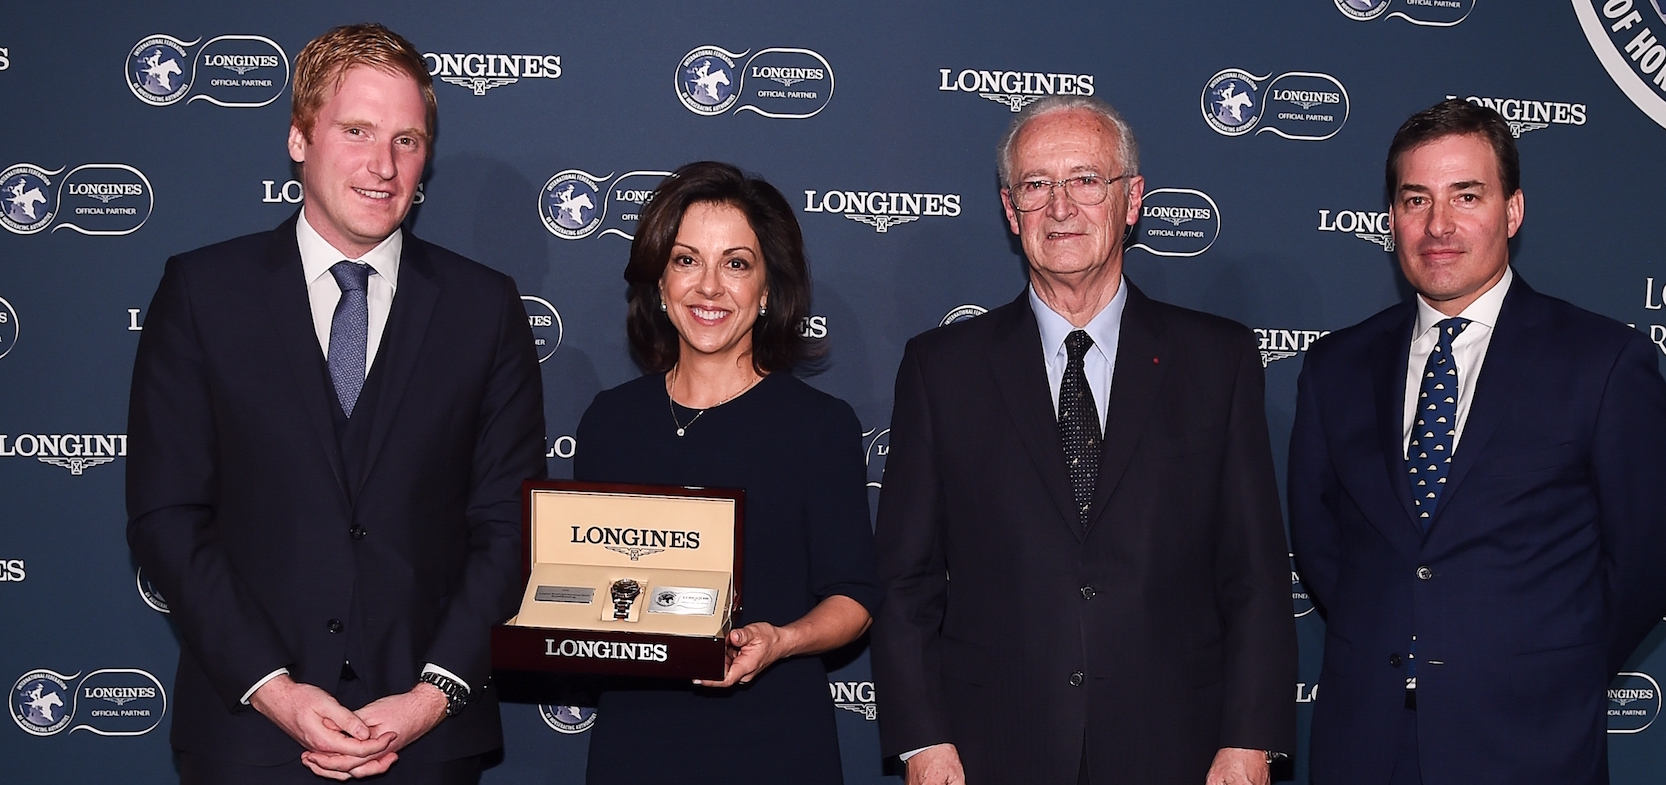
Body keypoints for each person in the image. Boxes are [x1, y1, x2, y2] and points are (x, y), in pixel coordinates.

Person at [126, 23, 545, 784]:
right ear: (298, 137)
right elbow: (166, 513)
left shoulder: (484, 307)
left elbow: (509, 523)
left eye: (407, 140)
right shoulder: (201, 293)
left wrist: (431, 695)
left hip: (427, 742)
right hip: (247, 735)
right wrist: (274, 689)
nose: (383, 166)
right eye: (356, 130)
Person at [870, 95, 1295, 785]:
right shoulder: (941, 369)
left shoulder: (1217, 360)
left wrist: (1249, 738)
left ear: (1131, 201)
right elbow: (905, 579)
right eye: (1036, 185)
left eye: (1086, 180)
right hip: (989, 752)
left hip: (1179, 749)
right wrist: (922, 740)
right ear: (1011, 211)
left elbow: (1253, 572)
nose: (1060, 206)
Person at [1288, 99, 1666, 785]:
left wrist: (1552, 659)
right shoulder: (1335, 367)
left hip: (1532, 741)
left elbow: (1644, 556)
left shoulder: (1604, 362)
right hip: (1366, 744)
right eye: (1415, 199)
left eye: (1466, 196)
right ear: (1392, 218)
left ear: (1512, 211)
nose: (1439, 225)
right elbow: (1321, 543)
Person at [572, 160, 881, 785]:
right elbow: (583, 586)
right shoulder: (610, 422)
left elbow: (854, 597)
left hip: (773, 742)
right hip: (635, 744)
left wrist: (782, 640)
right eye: (687, 260)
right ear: (659, 282)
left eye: (736, 264)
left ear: (767, 290)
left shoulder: (817, 427)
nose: (709, 287)